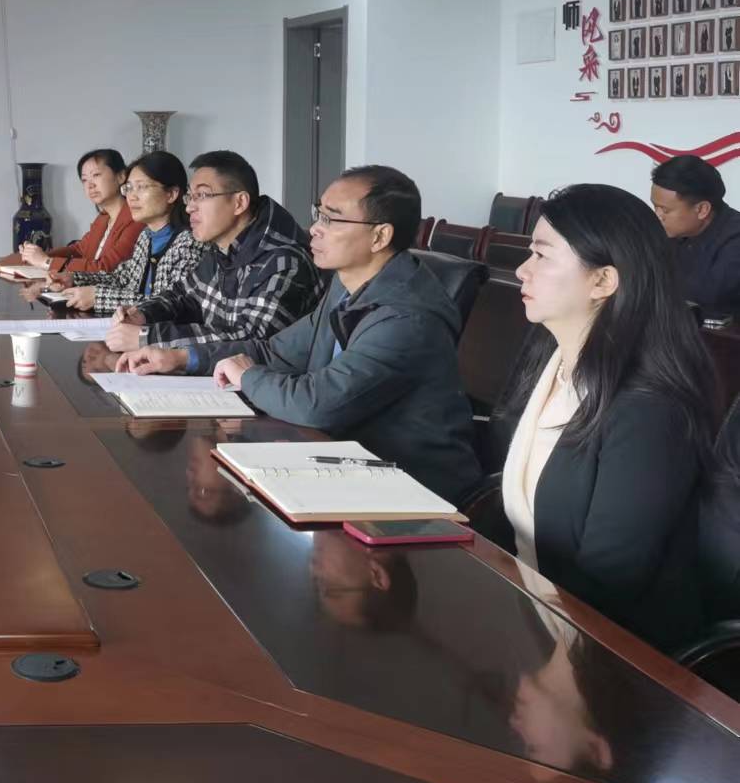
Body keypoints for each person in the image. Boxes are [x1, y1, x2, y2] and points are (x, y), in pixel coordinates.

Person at [496, 183, 715, 651]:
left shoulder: (650, 411)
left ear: (602, 282)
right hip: (536, 612)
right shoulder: (548, 356)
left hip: (609, 653)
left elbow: (608, 585)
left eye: (542, 255)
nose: (521, 270)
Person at [203, 167, 482, 502]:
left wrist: (248, 376)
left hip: (413, 489)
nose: (314, 229)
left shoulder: (407, 316)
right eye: (318, 214)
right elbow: (278, 352)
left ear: (380, 237)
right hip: (347, 463)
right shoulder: (347, 284)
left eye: (331, 219)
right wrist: (180, 358)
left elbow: (316, 406)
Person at [111, 150, 319, 374]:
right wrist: (142, 314)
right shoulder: (221, 248)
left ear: (239, 202)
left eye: (202, 195)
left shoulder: (283, 260)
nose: (189, 207)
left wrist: (150, 337)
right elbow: (183, 295)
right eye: (190, 196)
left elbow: (253, 341)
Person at [51, 151, 200, 313]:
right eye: (128, 188)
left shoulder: (188, 243)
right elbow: (123, 278)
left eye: (141, 187)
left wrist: (98, 297)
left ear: (171, 194)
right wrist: (74, 278)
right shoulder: (146, 236)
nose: (131, 197)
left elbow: (167, 303)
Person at [8, 149, 143, 275]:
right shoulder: (104, 218)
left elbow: (105, 268)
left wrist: (46, 262)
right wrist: (36, 255)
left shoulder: (136, 219)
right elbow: (79, 250)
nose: (90, 185)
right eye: (84, 180)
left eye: (96, 175)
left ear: (121, 176)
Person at [650, 153, 740, 316]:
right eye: (655, 207)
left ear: (702, 209)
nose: (657, 216)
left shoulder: (735, 239)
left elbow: (708, 297)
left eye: (665, 210)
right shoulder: (669, 232)